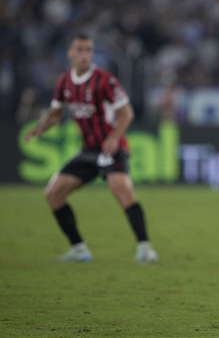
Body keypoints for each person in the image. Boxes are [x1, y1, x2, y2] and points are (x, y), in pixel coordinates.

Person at [24, 34, 158, 263]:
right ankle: (79, 249)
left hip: (111, 149)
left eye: (88, 50)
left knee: (123, 194)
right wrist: (40, 128)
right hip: (88, 151)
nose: (84, 54)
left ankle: (145, 248)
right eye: (80, 50)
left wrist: (115, 138)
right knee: (53, 194)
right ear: (70, 53)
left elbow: (126, 113)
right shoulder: (64, 81)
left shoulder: (105, 80)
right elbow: (56, 112)